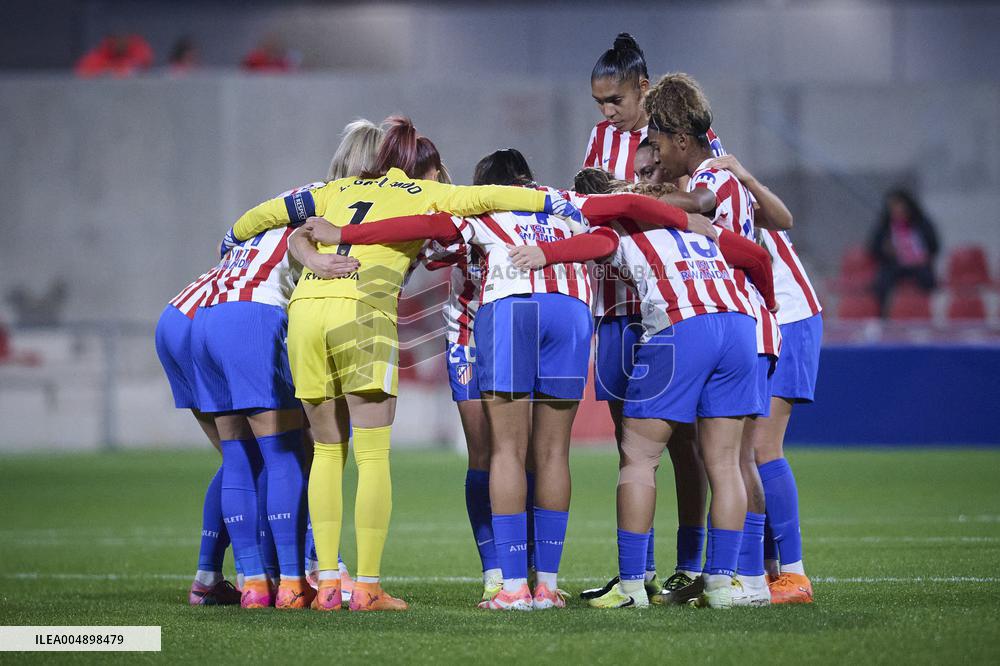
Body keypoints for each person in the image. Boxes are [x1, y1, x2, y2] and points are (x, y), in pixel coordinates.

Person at [292, 157, 712, 610]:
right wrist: (687, 219)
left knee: (504, 452)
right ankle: (547, 585)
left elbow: (417, 223)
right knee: (552, 453)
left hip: (510, 306)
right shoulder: (563, 203)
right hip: (569, 312)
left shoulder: (479, 210)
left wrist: (345, 234)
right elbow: (622, 212)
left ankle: (510, 585)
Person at [226, 116, 582, 612]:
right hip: (363, 311)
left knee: (326, 452)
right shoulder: (425, 194)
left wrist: (237, 239)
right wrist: (561, 201)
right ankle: (367, 588)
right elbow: (502, 197)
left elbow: (266, 218)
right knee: (371, 456)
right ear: (413, 165)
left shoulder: (331, 190)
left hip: (305, 311)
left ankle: (322, 585)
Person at [517, 174, 776, 610]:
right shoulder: (697, 227)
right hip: (739, 328)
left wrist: (544, 254)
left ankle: (633, 586)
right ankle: (718, 586)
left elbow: (595, 245)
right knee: (726, 463)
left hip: (682, 326)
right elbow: (756, 256)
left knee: (639, 456)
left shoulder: (619, 223)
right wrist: (767, 303)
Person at [705, 157, 823, 604]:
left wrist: (749, 176)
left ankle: (794, 573)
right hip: (763, 320)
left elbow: (784, 219)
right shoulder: (709, 184)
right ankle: (767, 569)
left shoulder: (717, 184)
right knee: (744, 451)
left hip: (788, 316)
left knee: (760, 448)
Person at [869, 188, 939, 316]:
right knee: (881, 282)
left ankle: (927, 314)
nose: (896, 210)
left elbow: (934, 246)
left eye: (899, 206)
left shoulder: (921, 223)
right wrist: (886, 251)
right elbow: (873, 248)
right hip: (895, 264)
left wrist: (923, 253)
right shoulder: (885, 225)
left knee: (928, 280)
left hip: (918, 265)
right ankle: (882, 316)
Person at [75, 33, 153, 78]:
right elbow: (83, 74)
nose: (120, 43)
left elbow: (141, 66)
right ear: (110, 40)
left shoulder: (139, 51)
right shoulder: (95, 58)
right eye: (117, 39)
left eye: (124, 39)